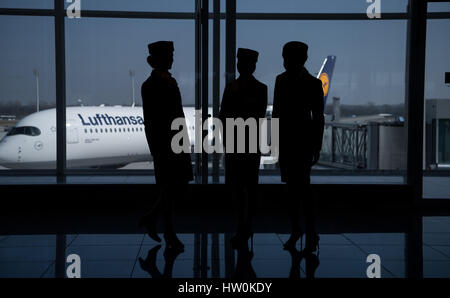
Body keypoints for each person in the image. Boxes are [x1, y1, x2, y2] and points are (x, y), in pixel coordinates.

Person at [139, 41, 193, 250]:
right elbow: (153, 120)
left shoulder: (163, 82)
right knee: (171, 187)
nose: (172, 58)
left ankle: (154, 219)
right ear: (156, 60)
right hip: (167, 145)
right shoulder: (157, 84)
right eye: (168, 55)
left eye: (172, 54)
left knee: (171, 187)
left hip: (172, 143)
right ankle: (167, 231)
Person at [272, 41, 324, 253]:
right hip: (297, 141)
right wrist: (317, 145)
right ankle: (305, 231)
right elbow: (317, 117)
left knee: (298, 188)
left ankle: (304, 231)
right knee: (297, 189)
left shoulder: (284, 81)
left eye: (286, 57)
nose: (284, 62)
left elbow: (277, 114)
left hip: (296, 142)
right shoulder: (311, 83)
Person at [219, 48, 268, 249]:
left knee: (242, 188)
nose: (240, 66)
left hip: (240, 146)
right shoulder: (260, 89)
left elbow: (224, 116)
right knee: (245, 188)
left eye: (243, 63)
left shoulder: (231, 88)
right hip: (247, 145)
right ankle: (245, 225)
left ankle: (244, 225)